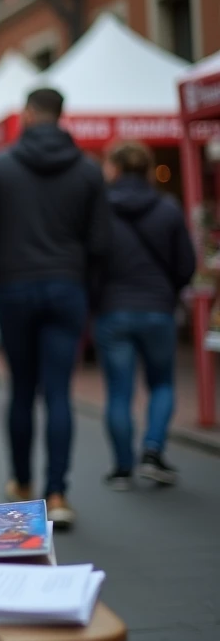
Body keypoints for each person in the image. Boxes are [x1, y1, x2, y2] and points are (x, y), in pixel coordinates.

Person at [0, 87, 110, 530]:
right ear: (62, 116)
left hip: (15, 287)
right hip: (67, 287)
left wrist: (6, 250)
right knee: (59, 391)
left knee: (23, 389)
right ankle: (59, 492)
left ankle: (22, 485)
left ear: (28, 114)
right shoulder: (88, 170)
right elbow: (102, 241)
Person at [94, 142, 195, 490]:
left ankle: (123, 468)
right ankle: (153, 450)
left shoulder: (100, 209)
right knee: (162, 383)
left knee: (119, 392)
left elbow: (91, 260)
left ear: (116, 169)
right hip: (158, 309)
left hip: (113, 309)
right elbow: (186, 264)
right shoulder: (168, 207)